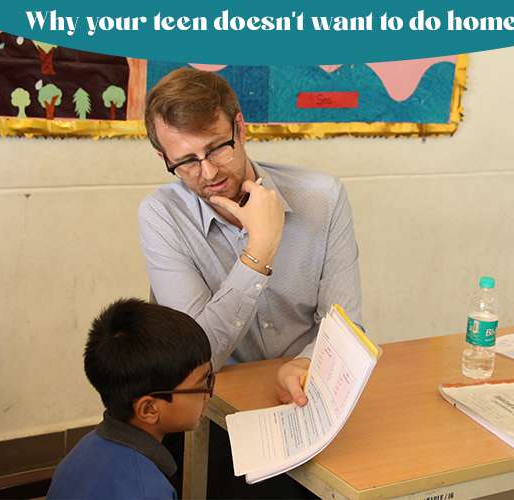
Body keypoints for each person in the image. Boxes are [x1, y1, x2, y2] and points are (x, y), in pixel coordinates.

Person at [139, 67, 363, 407]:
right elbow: (197, 359)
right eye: (186, 162)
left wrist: (306, 362)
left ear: (240, 128)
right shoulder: (162, 215)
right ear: (164, 159)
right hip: (214, 403)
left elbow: (345, 327)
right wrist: (259, 250)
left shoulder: (323, 199)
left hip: (304, 391)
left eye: (216, 149)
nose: (209, 172)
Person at [47, 298, 213, 500]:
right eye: (203, 384)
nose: (209, 393)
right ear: (149, 409)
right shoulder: (147, 491)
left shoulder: (86, 448)